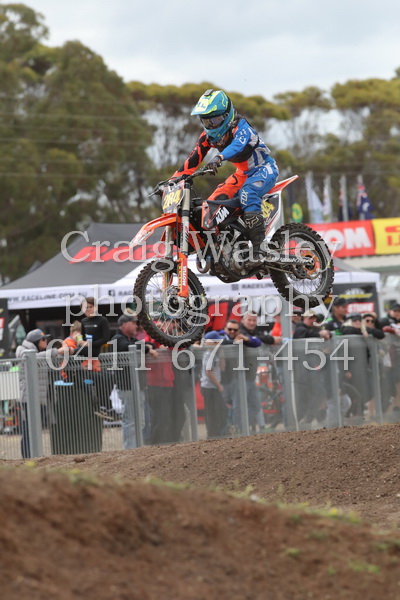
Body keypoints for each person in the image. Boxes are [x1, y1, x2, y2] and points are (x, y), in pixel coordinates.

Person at [171, 89, 279, 266]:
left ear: (226, 115)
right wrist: (171, 181)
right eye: (206, 120)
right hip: (242, 174)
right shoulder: (207, 137)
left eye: (214, 120)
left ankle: (260, 248)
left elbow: (236, 146)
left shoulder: (242, 128)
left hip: (264, 168)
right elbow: (193, 160)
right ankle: (217, 249)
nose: (210, 125)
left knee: (248, 193)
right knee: (210, 206)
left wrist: (219, 157)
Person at [15, 329, 67, 458]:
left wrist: (66, 351)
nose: (46, 341)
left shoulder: (41, 353)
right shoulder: (23, 351)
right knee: (29, 429)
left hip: (41, 398)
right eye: (43, 339)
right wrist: (56, 351)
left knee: (36, 429)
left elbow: (53, 361)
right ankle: (27, 457)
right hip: (29, 398)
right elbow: (34, 358)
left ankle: (34, 455)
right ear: (36, 341)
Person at [110, 314, 157, 449]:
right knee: (130, 421)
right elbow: (129, 347)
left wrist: (147, 347)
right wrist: (146, 348)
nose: (136, 326)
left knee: (140, 421)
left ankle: (137, 449)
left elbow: (150, 344)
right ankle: (130, 450)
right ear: (124, 325)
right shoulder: (117, 339)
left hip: (138, 385)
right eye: (133, 323)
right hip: (127, 386)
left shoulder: (131, 339)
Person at [200, 331, 227, 438]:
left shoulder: (215, 354)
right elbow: (209, 372)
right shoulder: (209, 354)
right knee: (212, 411)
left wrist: (222, 355)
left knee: (219, 409)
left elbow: (222, 368)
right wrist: (219, 385)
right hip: (209, 387)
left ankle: (217, 432)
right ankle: (212, 434)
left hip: (213, 387)